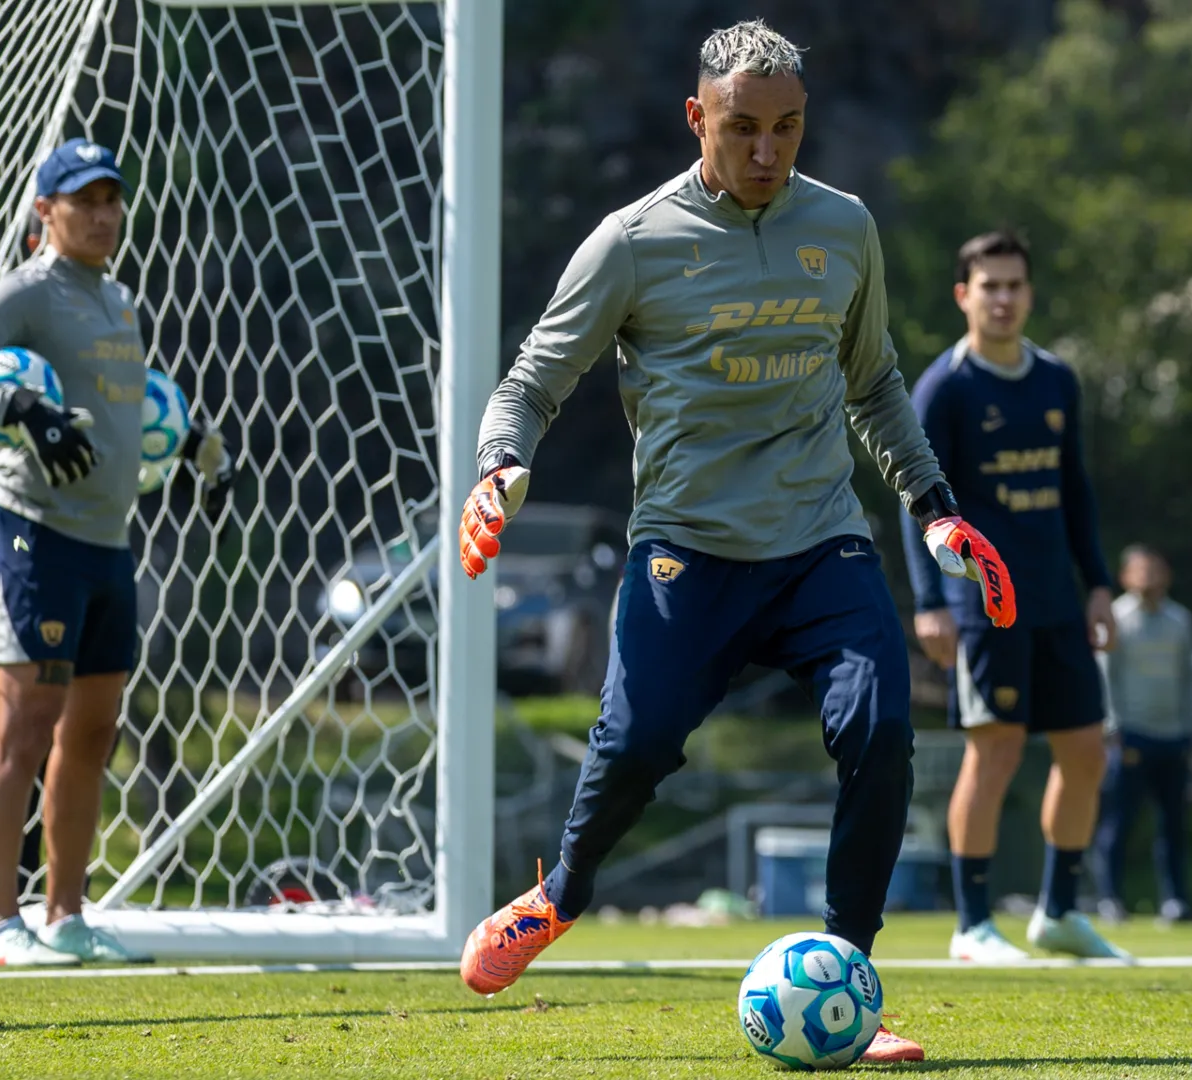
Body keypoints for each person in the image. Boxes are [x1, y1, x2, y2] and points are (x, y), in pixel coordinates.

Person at [456, 20, 1014, 1064]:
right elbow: (532, 379)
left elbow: (877, 382)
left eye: (788, 128)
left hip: (819, 543)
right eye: (743, 127)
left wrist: (933, 502)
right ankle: (558, 896)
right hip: (687, 549)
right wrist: (498, 466)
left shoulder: (843, 229)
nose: (767, 150)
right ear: (696, 119)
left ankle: (849, 975)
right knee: (636, 742)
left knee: (882, 724)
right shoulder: (632, 241)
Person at [0, 138, 231, 965]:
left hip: (107, 541)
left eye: (111, 198)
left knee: (93, 733)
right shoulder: (28, 292)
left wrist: (190, 441)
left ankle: (66, 917)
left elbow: (128, 402)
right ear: (44, 211)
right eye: (81, 199)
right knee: (26, 726)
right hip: (34, 534)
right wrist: (21, 409)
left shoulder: (117, 300)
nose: (101, 213)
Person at [902, 230, 1125, 962]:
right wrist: (932, 601)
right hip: (984, 607)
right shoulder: (946, 387)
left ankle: (1058, 913)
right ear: (964, 295)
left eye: (1014, 285)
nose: (1002, 298)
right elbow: (922, 501)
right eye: (988, 286)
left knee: (1087, 752)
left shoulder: (1057, 380)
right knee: (993, 753)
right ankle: (972, 926)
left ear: (1030, 294)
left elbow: (1077, 494)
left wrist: (1099, 585)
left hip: (1059, 600)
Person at [1091, 544, 1192, 925]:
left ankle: (1175, 901)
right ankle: (1109, 899)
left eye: (1156, 569)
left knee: (1172, 825)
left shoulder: (1180, 620)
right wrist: (1112, 728)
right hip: (1131, 736)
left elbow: (1190, 678)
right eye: (1141, 570)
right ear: (1125, 576)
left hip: (1173, 735)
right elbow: (1106, 677)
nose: (1149, 577)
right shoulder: (1116, 617)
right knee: (1118, 823)